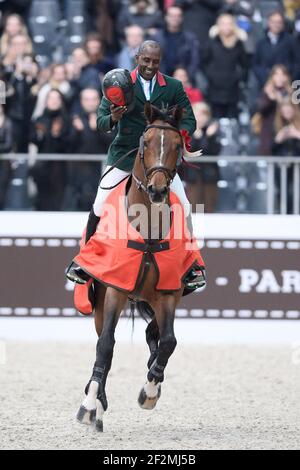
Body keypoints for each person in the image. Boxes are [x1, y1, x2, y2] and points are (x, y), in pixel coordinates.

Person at [67, 40, 205, 289]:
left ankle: (192, 265)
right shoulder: (119, 82)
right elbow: (100, 121)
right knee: (99, 203)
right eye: (146, 60)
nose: (150, 66)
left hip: (158, 161)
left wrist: (175, 134)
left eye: (155, 62)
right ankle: (84, 262)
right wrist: (113, 117)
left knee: (184, 206)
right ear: (137, 58)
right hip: (126, 155)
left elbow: (189, 119)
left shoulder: (173, 86)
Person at [63, 88, 114, 211]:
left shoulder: (107, 118)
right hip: (76, 172)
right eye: (87, 99)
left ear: (99, 101)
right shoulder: (73, 118)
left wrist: (98, 130)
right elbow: (66, 145)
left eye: (93, 99)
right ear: (81, 101)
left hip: (100, 170)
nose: (90, 103)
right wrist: (77, 132)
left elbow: (112, 142)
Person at [29, 89, 70, 211]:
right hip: (42, 165)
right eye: (51, 98)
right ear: (46, 101)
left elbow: (68, 143)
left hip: (60, 167)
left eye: (57, 98)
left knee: (58, 198)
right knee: (42, 197)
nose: (54, 101)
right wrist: (39, 135)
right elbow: (33, 139)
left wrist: (57, 135)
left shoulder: (66, 120)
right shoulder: (39, 119)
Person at [203, 13, 248, 118]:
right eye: (223, 24)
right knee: (216, 119)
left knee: (232, 121)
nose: (226, 27)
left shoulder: (239, 44)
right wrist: (210, 75)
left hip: (233, 89)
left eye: (229, 24)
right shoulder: (211, 43)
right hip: (214, 88)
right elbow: (203, 62)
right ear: (218, 26)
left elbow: (245, 65)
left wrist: (238, 77)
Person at [182, 102, 221, 213]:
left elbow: (215, 151)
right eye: (197, 115)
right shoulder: (187, 132)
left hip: (210, 175)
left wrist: (208, 137)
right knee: (194, 206)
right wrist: (196, 137)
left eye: (203, 115)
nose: (200, 118)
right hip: (192, 176)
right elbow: (190, 151)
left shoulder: (213, 132)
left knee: (209, 206)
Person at [253, 10, 297, 88]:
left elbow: (296, 63)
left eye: (279, 22)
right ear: (269, 22)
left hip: (287, 85)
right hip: (265, 85)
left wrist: (287, 79)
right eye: (274, 22)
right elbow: (256, 64)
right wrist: (266, 80)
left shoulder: (291, 41)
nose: (276, 25)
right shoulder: (261, 42)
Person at [255, 65, 293, 155]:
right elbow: (260, 110)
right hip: (270, 134)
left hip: (286, 134)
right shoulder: (267, 92)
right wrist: (271, 99)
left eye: (282, 75)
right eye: (276, 74)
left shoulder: (291, 93)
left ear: (286, 77)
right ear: (272, 77)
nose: (280, 78)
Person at [153, 6, 200, 79]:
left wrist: (186, 77)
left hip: (185, 78)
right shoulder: (157, 37)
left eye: (178, 16)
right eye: (172, 16)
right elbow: (154, 60)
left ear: (182, 18)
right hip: (161, 78)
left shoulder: (190, 38)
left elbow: (194, 60)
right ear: (166, 17)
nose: (175, 18)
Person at [272, 99, 300, 213]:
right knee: (283, 191)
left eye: (289, 108)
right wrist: (279, 138)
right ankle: (284, 213)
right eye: (285, 109)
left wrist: (297, 135)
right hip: (281, 165)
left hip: (297, 164)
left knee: (296, 191)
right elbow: (269, 148)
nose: (287, 111)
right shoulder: (275, 125)